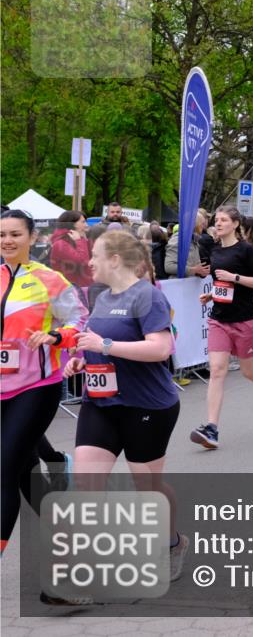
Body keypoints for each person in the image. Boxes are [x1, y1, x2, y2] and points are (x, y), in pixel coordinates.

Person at [62, 231, 188, 582]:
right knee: (85, 485)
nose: (90, 262)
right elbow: (101, 346)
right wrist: (83, 361)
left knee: (148, 488)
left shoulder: (147, 296)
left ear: (115, 259)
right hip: (101, 403)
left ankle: (172, 541)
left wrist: (104, 344)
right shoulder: (101, 297)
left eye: (96, 255)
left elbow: (160, 349)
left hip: (145, 404)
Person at [1, 209, 88, 556]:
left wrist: (55, 336)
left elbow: (80, 321)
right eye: (2, 234)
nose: (7, 241)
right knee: (26, 473)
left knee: (5, 468)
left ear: (32, 238)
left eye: (15, 234)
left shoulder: (49, 280)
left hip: (35, 387)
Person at [190, 206, 253, 449]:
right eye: (216, 220)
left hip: (245, 318)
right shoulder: (214, 249)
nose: (218, 223)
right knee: (218, 370)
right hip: (219, 318)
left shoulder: (247, 250)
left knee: (248, 371)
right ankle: (211, 428)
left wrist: (235, 278)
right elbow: (222, 284)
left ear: (235, 224)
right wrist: (212, 295)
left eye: (223, 220)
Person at [50, 210, 94, 290]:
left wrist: (85, 240)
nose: (86, 225)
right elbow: (83, 262)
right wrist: (79, 241)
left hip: (81, 287)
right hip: (71, 290)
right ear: (73, 224)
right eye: (83, 222)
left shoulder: (79, 238)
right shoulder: (61, 243)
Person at [165, 210, 211, 278]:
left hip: (188, 285)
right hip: (178, 285)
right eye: (202, 225)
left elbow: (192, 264)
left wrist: (201, 271)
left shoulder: (193, 240)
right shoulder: (178, 240)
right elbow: (169, 266)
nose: (203, 228)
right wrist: (193, 270)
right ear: (196, 225)